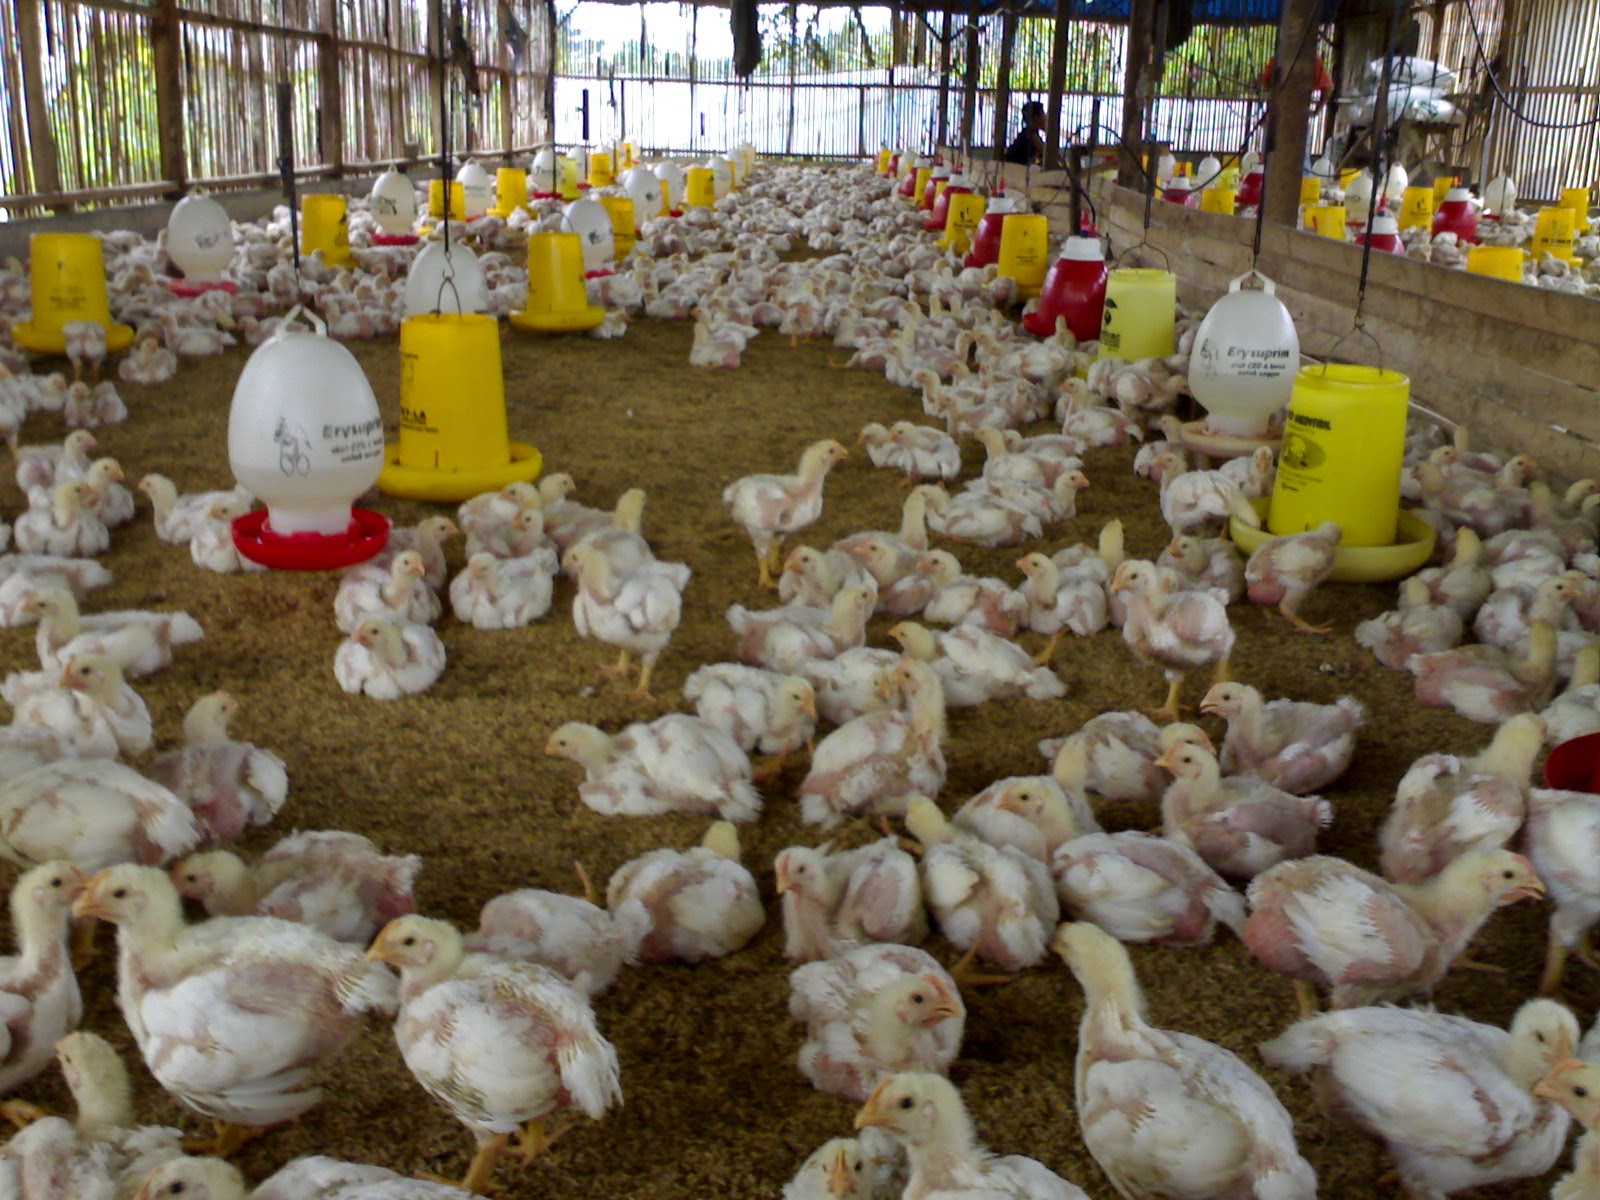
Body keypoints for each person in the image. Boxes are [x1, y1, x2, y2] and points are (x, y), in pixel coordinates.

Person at [1002, 100, 1046, 166]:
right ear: (1036, 118)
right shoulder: (1030, 134)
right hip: (1012, 170)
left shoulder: (1029, 132)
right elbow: (1047, 153)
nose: (1045, 117)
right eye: (1043, 114)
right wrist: (1047, 130)